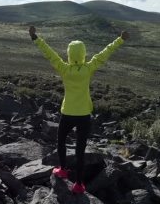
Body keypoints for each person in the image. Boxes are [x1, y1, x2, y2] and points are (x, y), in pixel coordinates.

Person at [30, 25, 129, 194]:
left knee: (61, 141)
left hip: (67, 112)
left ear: (69, 54)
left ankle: (62, 170)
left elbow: (50, 54)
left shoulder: (64, 69)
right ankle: (79, 184)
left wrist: (35, 38)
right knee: (80, 149)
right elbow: (105, 53)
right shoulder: (88, 69)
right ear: (83, 54)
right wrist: (120, 39)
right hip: (84, 114)